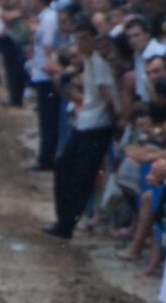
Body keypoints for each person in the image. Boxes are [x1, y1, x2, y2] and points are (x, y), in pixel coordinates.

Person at [42, 26, 115, 240]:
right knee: (68, 170)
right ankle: (65, 221)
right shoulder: (90, 62)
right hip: (87, 123)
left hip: (95, 126)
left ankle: (66, 223)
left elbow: (106, 96)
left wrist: (116, 119)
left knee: (78, 175)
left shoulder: (98, 63)